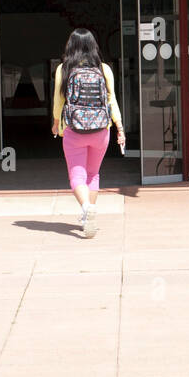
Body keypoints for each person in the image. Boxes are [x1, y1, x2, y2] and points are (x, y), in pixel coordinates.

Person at [51, 27, 125, 238]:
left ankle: (86, 208)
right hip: (102, 130)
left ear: (70, 46)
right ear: (94, 46)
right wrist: (119, 127)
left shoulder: (63, 69)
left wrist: (56, 123)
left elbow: (59, 100)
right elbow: (111, 101)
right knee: (93, 173)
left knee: (77, 175)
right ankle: (87, 216)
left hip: (74, 129)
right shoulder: (104, 69)